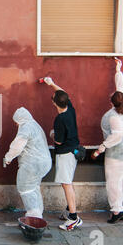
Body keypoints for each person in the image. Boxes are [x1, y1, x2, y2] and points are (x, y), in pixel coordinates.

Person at [92, 59, 123, 223]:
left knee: (113, 180)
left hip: (119, 149)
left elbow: (117, 135)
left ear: (112, 102)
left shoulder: (114, 116)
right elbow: (121, 86)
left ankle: (116, 210)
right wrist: (118, 69)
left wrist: (101, 148)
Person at [42, 76, 82, 231]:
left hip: (65, 154)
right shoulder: (70, 109)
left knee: (66, 184)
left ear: (54, 103)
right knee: (69, 182)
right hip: (74, 151)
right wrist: (52, 84)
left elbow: (58, 141)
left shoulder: (59, 120)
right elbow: (62, 92)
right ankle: (68, 210)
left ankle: (73, 217)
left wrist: (52, 134)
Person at [4, 107, 51, 220]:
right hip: (44, 162)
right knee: (34, 188)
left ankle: (34, 218)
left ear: (20, 120)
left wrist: (8, 157)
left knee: (25, 188)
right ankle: (38, 213)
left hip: (32, 164)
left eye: (16, 122)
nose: (16, 125)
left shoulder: (26, 127)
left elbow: (17, 145)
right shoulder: (35, 125)